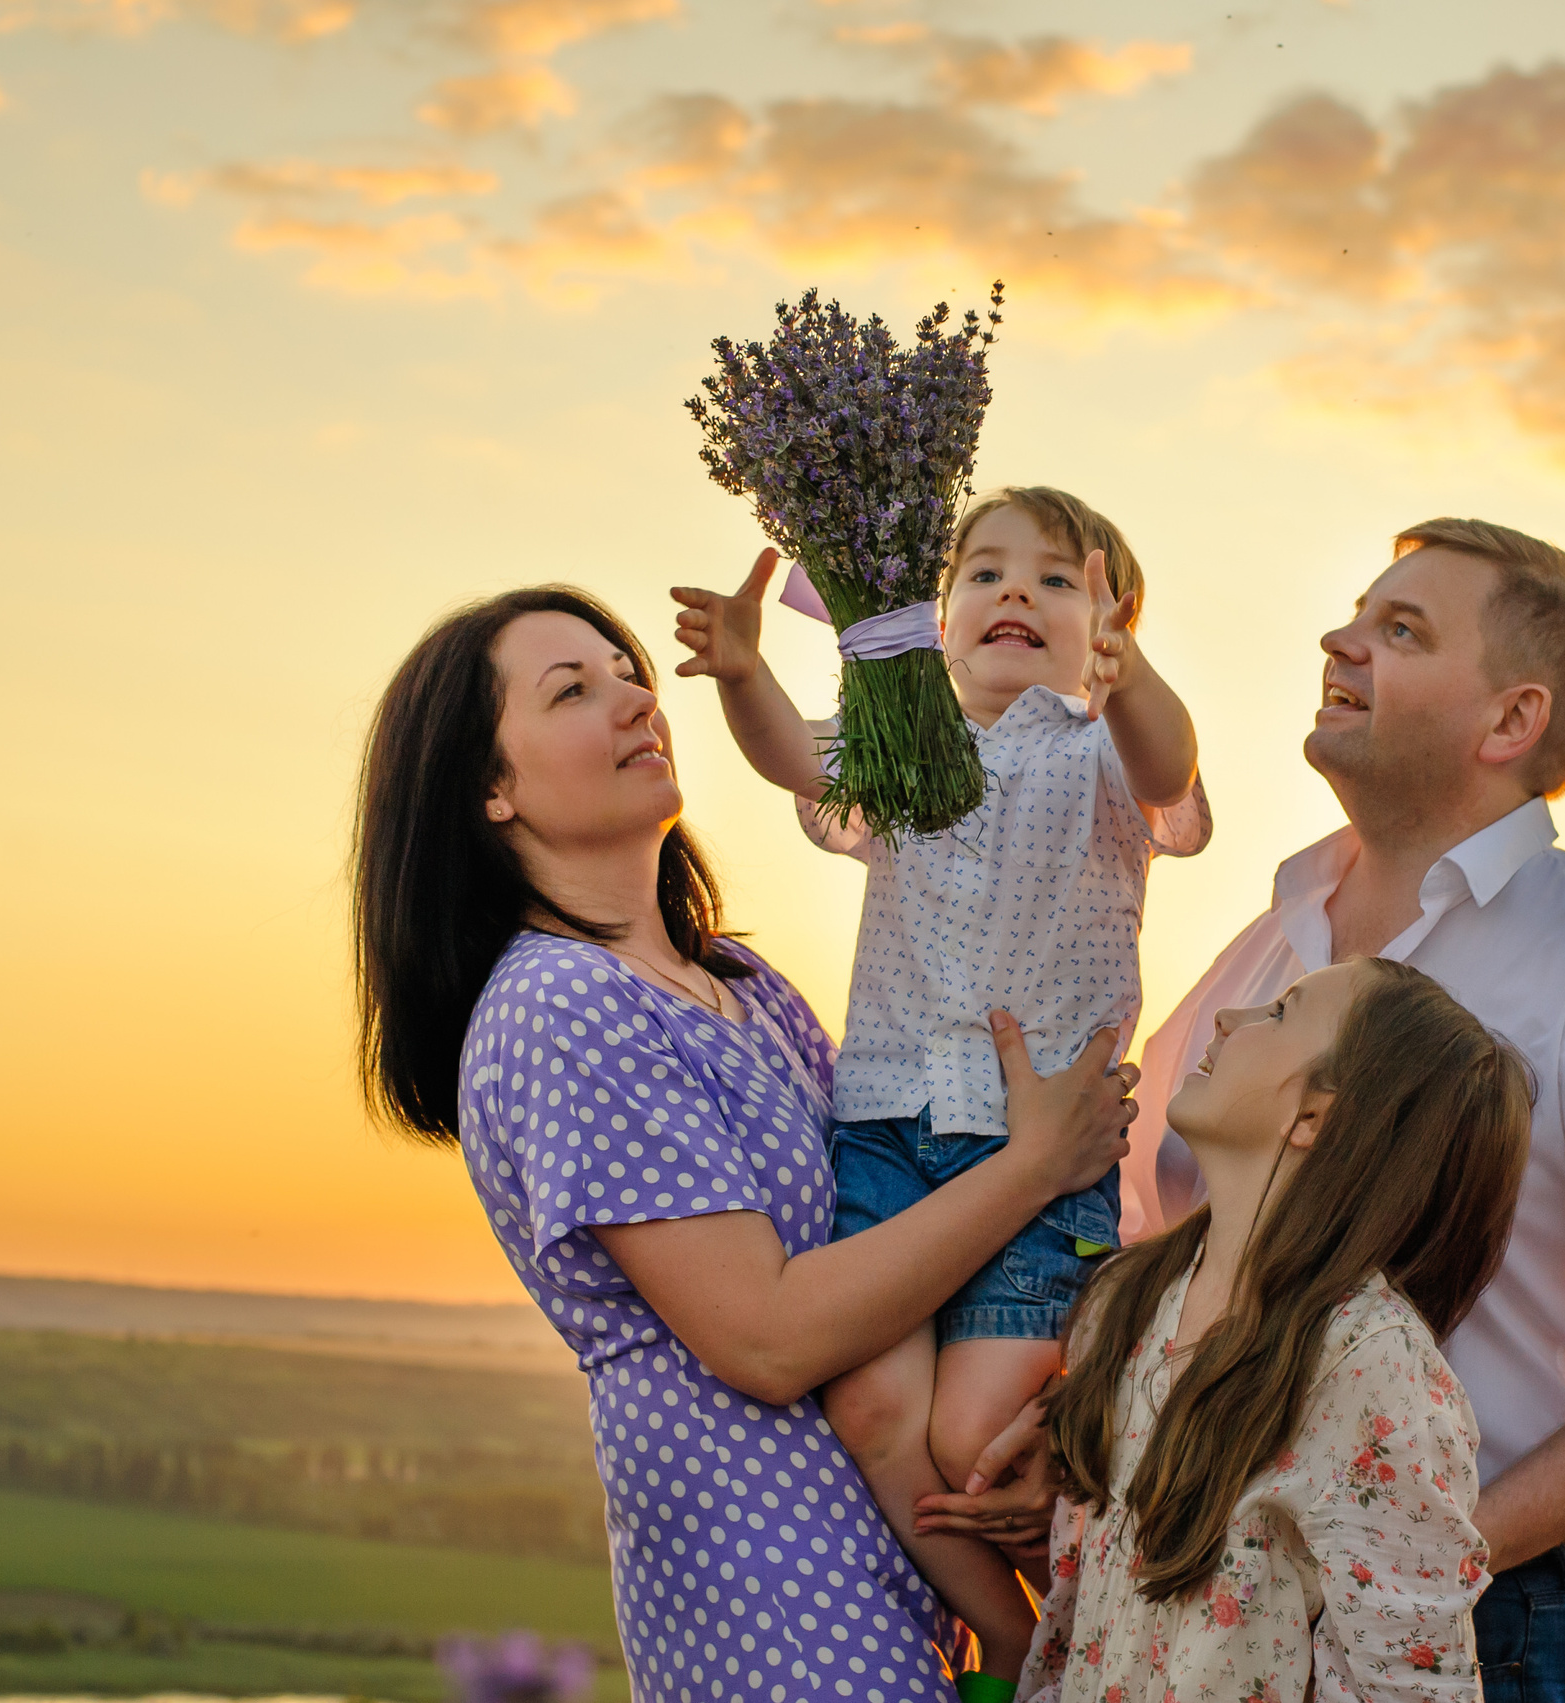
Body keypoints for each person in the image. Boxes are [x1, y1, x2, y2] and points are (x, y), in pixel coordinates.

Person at [927, 518, 1565, 1703]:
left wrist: (1424, 1544)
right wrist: (1082, 1418)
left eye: (1401, 629)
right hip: (1187, 1597)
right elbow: (1148, 1208)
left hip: (1485, 1621)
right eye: (1359, 611)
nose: (1339, 639)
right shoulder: (1268, 944)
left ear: (1511, 721)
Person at [350, 584, 1142, 1703]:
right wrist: (1035, 1165)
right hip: (771, 1586)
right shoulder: (558, 1005)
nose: (634, 699)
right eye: (573, 690)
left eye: (628, 671)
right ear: (489, 788)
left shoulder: (737, 981)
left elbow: (901, 1207)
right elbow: (764, 1336)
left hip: (899, 1559)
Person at [670, 487, 1209, 1691]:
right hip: (884, 1130)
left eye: (1061, 582)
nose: (1018, 592)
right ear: (936, 616)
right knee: (867, 1404)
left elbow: (1173, 765)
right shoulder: (902, 755)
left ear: (1105, 629)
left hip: (1032, 1160)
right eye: (987, 574)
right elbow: (788, 757)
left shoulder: (1103, 762)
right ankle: (1021, 1652)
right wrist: (744, 673)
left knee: (972, 1434)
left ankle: (1102, 1623)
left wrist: (1130, 677)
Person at [1020, 956, 1534, 1703]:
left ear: (1316, 1116)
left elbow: (1412, 1690)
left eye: (1282, 1012)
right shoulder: (1125, 1300)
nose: (1230, 1017)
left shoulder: (1369, 1365)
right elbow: (1074, 1624)